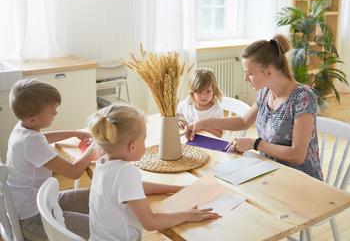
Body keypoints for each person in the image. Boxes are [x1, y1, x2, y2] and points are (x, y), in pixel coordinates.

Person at [186, 34, 323, 180]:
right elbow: (244, 122)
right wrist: (203, 123)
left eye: (249, 74)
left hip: (301, 180)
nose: (245, 79)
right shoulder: (266, 93)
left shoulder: (303, 97)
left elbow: (297, 156)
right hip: (270, 171)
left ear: (268, 72)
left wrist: (255, 144)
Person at [88, 103, 220, 241]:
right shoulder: (126, 172)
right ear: (132, 146)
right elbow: (150, 222)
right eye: (144, 140)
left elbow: (133, 187)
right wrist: (189, 215)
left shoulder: (103, 162)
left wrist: (178, 188)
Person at [6, 79, 96, 240]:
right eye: (51, 111)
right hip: (33, 220)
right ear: (32, 119)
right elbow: (75, 172)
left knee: (99, 196)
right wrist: (95, 146)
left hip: (41, 202)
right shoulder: (29, 142)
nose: (56, 113)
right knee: (101, 227)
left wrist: (75, 132)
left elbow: (42, 137)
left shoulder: (23, 128)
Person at [177, 68, 224, 137]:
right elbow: (177, 116)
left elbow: (219, 134)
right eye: (199, 91)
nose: (203, 96)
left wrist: (203, 126)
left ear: (213, 90)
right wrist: (179, 122)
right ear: (192, 92)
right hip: (188, 140)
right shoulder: (187, 103)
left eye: (208, 91)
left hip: (207, 143)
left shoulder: (216, 110)